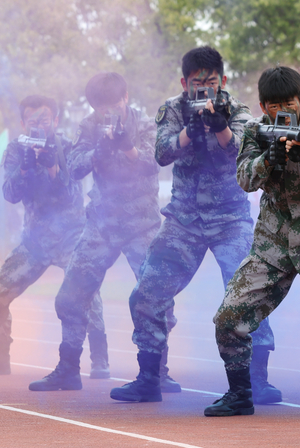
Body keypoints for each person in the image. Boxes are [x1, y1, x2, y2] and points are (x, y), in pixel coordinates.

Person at [109, 46, 278, 403]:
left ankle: (257, 379)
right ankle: (149, 377)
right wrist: (189, 131)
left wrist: (221, 130)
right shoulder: (172, 108)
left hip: (230, 219)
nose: (204, 90)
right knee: (148, 291)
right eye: (197, 84)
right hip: (183, 220)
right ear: (185, 83)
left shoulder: (239, 111)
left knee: (249, 292)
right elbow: (161, 153)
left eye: (211, 83)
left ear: (223, 81)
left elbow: (245, 153)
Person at [205, 66, 300, 416]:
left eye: (289, 103)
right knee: (229, 316)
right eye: (274, 106)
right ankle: (240, 393)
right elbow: (244, 178)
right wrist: (267, 160)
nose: (282, 112)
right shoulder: (257, 132)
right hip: (274, 243)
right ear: (262, 107)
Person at [28, 73, 160, 391]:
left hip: (141, 223)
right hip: (101, 223)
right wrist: (96, 152)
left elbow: (154, 163)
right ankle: (68, 368)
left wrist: (126, 146)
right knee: (71, 296)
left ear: (126, 97)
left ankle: (156, 372)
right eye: (101, 108)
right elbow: (74, 167)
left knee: (154, 298)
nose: (108, 113)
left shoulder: (144, 123)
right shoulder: (88, 126)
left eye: (114, 105)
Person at [0, 95, 107, 379]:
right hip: (34, 241)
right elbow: (10, 194)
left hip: (71, 236)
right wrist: (26, 168)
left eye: (45, 120)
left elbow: (71, 194)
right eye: (33, 121)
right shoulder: (16, 150)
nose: (39, 126)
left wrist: (53, 166)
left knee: (88, 295)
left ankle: (100, 360)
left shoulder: (68, 147)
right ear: (22, 123)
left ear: (55, 120)